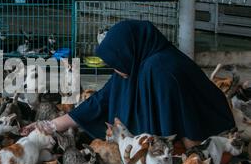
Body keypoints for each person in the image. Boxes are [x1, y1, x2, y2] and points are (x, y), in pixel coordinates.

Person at [22, 20, 235, 150]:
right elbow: (101, 100)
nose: (115, 70)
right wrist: (49, 125)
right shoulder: (135, 64)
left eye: (116, 63)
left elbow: (188, 123)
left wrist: (192, 160)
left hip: (207, 133)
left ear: (129, 51)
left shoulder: (162, 69)